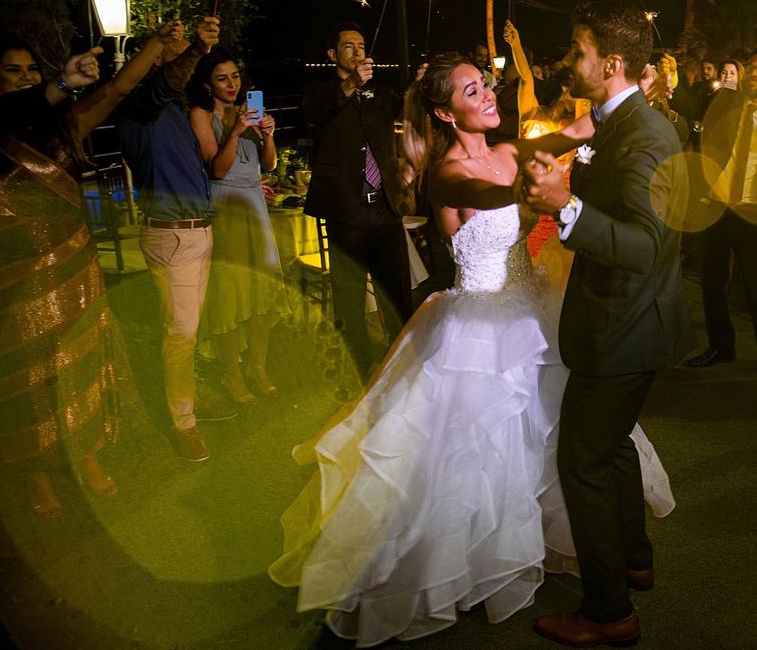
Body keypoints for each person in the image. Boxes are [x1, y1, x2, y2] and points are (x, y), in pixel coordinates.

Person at [269, 52, 674, 645]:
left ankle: (607, 554)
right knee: (478, 454)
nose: (487, 94)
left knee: (569, 438)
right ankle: (478, 563)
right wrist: (541, 188)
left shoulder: (509, 149)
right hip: (477, 327)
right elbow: (495, 194)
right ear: (444, 112)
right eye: (470, 91)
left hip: (532, 314)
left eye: (484, 84)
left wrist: (633, 90)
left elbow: (580, 129)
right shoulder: (446, 174)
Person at [521, 0, 692, 647]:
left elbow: (648, 245)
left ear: (612, 62)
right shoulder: (615, 119)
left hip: (625, 324)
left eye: (579, 50)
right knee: (613, 444)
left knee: (582, 461)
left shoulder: (645, 136)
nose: (570, 60)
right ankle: (635, 558)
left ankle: (608, 611)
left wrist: (565, 208)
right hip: (622, 318)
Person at [0, 46, 126, 519]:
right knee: (27, 374)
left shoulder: (58, 125)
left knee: (77, 361)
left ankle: (85, 453)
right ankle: (35, 472)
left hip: (71, 265)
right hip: (11, 273)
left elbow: (117, 91)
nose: (24, 77)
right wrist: (59, 84)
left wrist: (162, 48)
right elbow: (11, 111)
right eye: (12, 70)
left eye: (31, 69)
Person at [117, 16, 236, 463]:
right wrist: (198, 50)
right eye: (176, 45)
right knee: (181, 333)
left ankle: (189, 399)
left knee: (188, 328)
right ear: (154, 61)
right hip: (172, 236)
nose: (185, 47)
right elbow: (166, 82)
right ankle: (183, 422)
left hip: (197, 229)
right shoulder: (140, 105)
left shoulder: (174, 109)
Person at [301, 22, 414, 378]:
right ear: (332, 54)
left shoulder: (379, 93)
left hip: (384, 206)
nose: (358, 51)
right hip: (344, 209)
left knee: (396, 293)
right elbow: (314, 116)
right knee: (349, 298)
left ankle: (402, 363)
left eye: (362, 46)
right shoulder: (319, 92)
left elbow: (406, 107)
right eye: (349, 46)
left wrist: (420, 83)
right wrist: (350, 84)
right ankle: (360, 370)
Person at [685, 46, 757, 387]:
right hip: (715, 207)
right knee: (711, 283)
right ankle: (721, 346)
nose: (754, 73)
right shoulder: (724, 107)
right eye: (751, 67)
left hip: (752, 213)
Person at [188, 48, 288, 404]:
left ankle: (257, 368)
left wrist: (268, 135)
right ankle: (231, 372)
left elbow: (269, 165)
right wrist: (236, 130)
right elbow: (217, 168)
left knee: (261, 293)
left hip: (255, 206)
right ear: (207, 84)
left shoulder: (245, 111)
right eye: (222, 78)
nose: (231, 84)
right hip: (226, 207)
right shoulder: (201, 115)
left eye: (234, 76)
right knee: (232, 294)